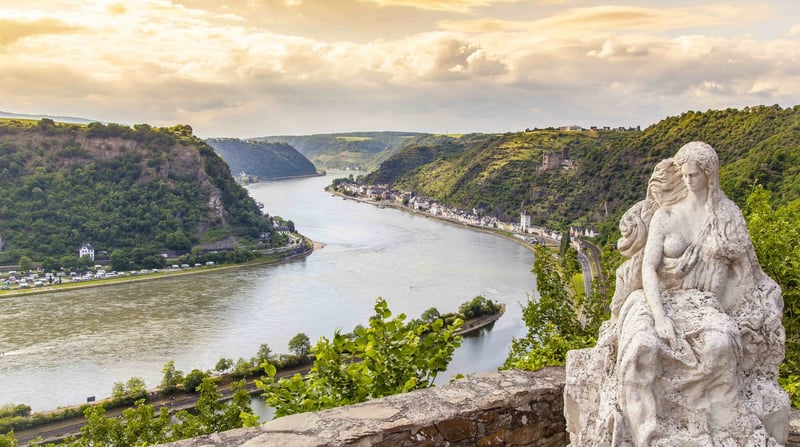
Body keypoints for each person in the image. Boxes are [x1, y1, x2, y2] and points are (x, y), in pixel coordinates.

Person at [565, 142, 789, 446]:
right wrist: (660, 318)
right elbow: (648, 269)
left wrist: (737, 310)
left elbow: (746, 271)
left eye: (693, 175)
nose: (687, 181)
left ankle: (705, 426)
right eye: (683, 175)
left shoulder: (726, 217)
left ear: (709, 175)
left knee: (720, 345)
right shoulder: (666, 216)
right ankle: (647, 434)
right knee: (642, 346)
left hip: (703, 305)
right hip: (655, 300)